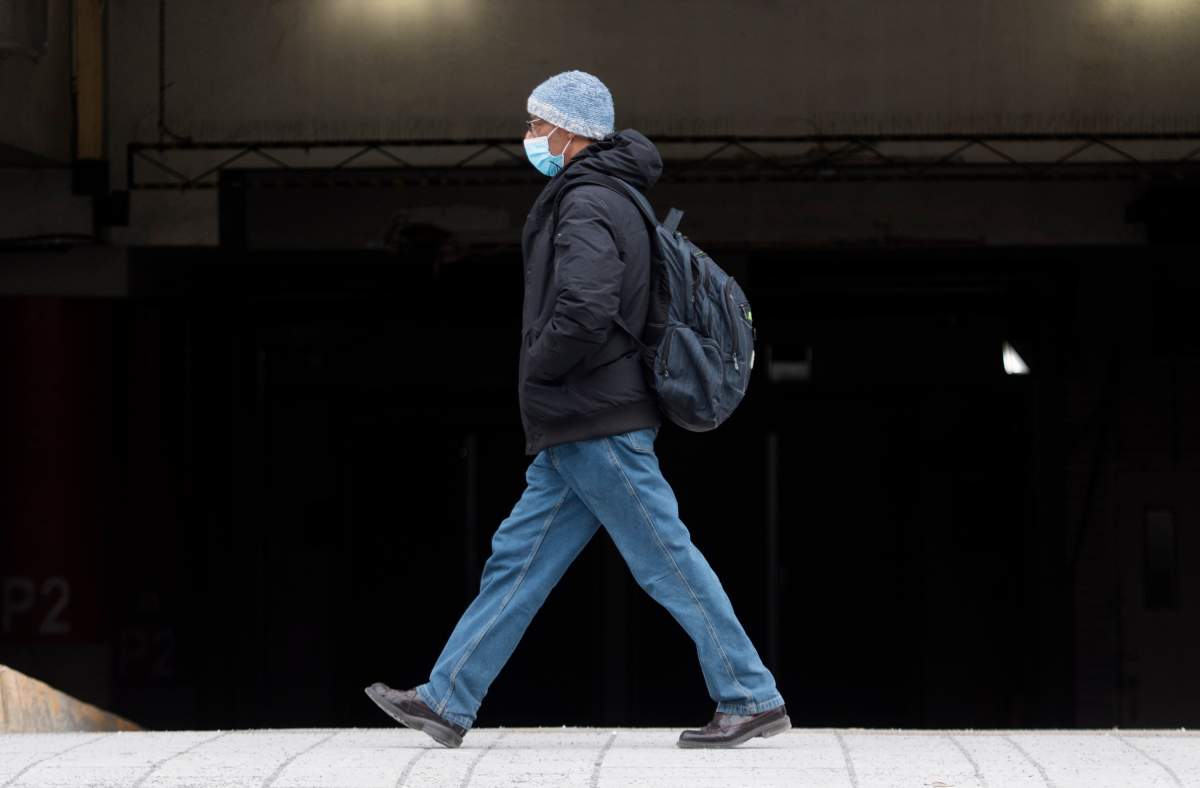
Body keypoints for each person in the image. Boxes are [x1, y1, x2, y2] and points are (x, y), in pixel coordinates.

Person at [366, 70, 789, 749]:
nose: (529, 136)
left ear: (572, 131)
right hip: (583, 422)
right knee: (519, 560)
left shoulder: (589, 200)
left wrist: (539, 365)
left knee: (665, 560)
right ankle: (447, 699)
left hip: (599, 420)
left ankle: (749, 694)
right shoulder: (604, 195)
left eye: (538, 124)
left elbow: (587, 308)